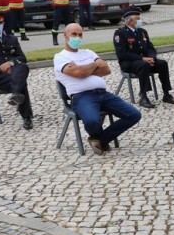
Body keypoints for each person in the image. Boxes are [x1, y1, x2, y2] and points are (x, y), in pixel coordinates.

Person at [54, 23, 142, 155]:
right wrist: (95, 65)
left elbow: (106, 70)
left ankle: (100, 139)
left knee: (134, 115)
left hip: (103, 94)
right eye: (74, 34)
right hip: (81, 96)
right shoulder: (61, 57)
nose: (77, 37)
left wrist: (82, 68)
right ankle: (101, 140)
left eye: (80, 34)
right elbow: (78, 73)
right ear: (65, 36)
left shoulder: (88, 52)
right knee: (91, 121)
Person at [113, 9, 174, 108]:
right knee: (144, 65)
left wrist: (152, 58)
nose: (140, 21)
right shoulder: (120, 33)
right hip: (129, 63)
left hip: (145, 61)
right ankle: (143, 96)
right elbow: (122, 54)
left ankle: (166, 94)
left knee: (162, 63)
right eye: (137, 19)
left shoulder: (142, 32)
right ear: (130, 21)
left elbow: (150, 47)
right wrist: (142, 59)